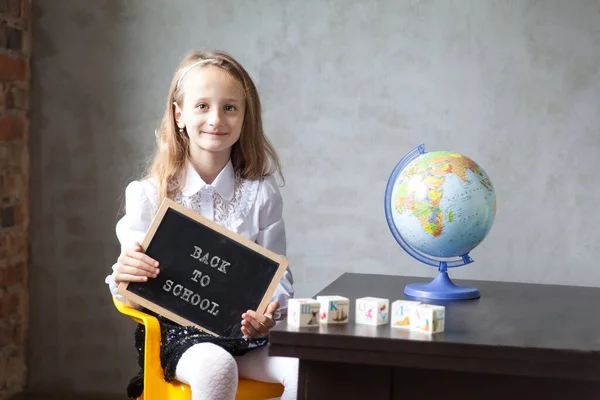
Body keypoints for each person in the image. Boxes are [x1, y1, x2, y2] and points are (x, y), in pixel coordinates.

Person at [104, 49, 298, 400]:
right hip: (182, 339)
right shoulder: (149, 195)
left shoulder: (260, 194)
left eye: (230, 107)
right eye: (202, 106)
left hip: (245, 334)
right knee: (216, 366)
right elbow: (127, 286)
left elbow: (278, 278)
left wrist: (269, 311)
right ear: (179, 115)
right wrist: (124, 274)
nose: (216, 119)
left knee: (306, 367)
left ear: (244, 118)